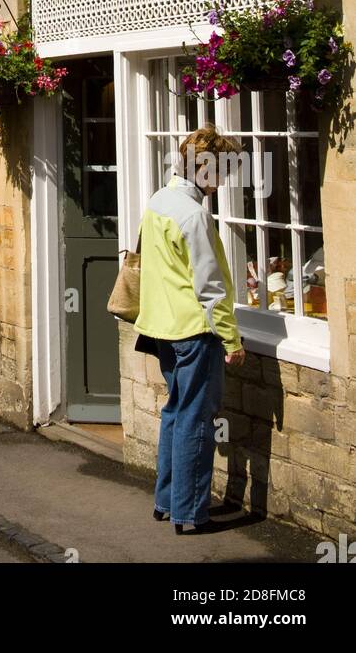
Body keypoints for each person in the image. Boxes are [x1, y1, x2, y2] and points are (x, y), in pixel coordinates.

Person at [134, 125, 246, 535]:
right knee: (197, 420)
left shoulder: (159, 201)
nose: (223, 181)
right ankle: (189, 513)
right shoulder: (194, 215)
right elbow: (211, 287)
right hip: (194, 333)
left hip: (163, 329)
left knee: (175, 414)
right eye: (221, 172)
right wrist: (231, 341)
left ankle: (166, 502)